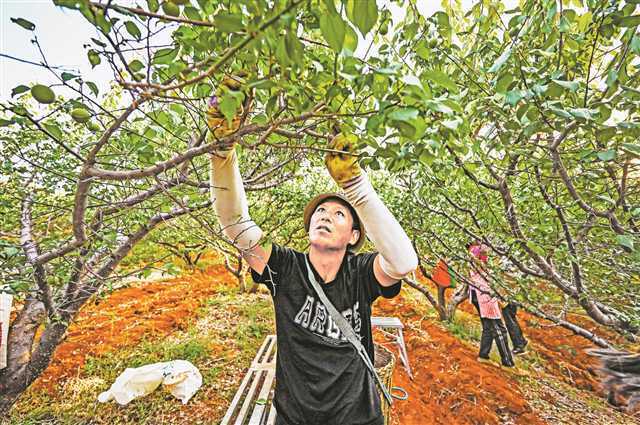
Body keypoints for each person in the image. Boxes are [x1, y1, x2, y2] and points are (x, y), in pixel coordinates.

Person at [206, 83, 418, 425]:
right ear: (308, 230)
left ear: (353, 236)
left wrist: (355, 186)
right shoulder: (286, 268)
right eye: (320, 212)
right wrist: (221, 151)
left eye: (338, 214)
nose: (324, 215)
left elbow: (404, 262)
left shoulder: (361, 272)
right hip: (295, 418)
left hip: (359, 417)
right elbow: (234, 224)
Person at [466, 241, 515, 367]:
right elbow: (486, 265)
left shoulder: (473, 250)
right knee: (499, 328)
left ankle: (483, 356)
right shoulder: (477, 249)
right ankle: (508, 363)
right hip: (483, 294)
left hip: (478, 293)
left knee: (488, 328)